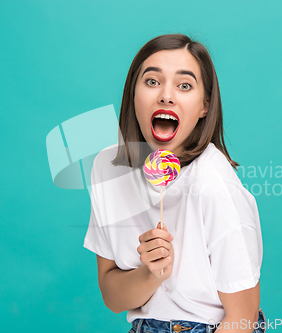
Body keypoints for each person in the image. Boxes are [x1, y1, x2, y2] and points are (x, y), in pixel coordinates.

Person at [83, 34, 266, 333]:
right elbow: (113, 297)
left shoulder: (214, 184)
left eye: (184, 86)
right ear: (133, 93)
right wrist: (152, 273)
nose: (166, 96)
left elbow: (243, 319)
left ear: (204, 106)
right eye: (152, 81)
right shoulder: (109, 169)